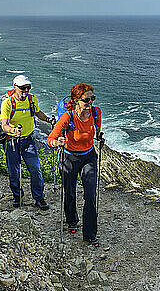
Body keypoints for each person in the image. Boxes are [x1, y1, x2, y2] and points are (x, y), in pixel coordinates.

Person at [47, 83, 102, 247]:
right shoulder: (68, 117)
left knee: (91, 195)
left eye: (92, 98)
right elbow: (50, 139)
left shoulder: (95, 112)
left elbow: (96, 130)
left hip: (89, 156)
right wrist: (58, 142)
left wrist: (99, 137)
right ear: (76, 100)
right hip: (70, 158)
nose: (90, 102)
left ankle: (90, 235)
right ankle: (72, 221)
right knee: (70, 192)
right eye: (86, 99)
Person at [1, 75, 56, 209]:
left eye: (28, 88)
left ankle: (39, 198)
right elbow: (4, 125)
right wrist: (13, 130)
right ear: (15, 88)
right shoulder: (8, 103)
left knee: (35, 170)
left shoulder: (32, 99)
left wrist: (48, 120)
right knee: (14, 171)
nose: (26, 91)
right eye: (22, 88)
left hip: (28, 140)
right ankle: (17, 196)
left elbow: (38, 112)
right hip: (12, 141)